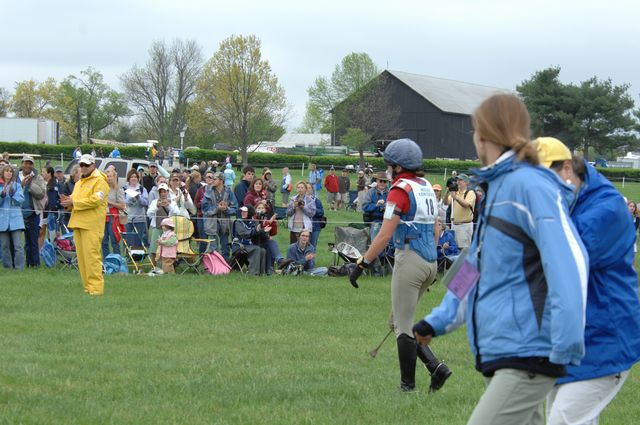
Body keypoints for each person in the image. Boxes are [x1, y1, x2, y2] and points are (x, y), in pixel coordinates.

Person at [411, 94, 588, 425]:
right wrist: (437, 321)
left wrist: (565, 343)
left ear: (483, 133)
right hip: (505, 352)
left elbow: (571, 263)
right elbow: (473, 269)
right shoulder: (498, 190)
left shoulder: (529, 186)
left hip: (530, 352)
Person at [535, 137, 640, 425]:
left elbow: (559, 258)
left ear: (567, 168)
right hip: (569, 340)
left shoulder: (607, 211)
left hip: (604, 340)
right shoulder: (565, 201)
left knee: (562, 420)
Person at [348, 138, 451, 393]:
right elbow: (437, 227)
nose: (387, 169)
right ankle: (435, 367)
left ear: (397, 165)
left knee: (402, 328)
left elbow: (384, 235)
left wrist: (362, 263)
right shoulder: (426, 186)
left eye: (389, 165)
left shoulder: (399, 190)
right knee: (397, 321)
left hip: (410, 259)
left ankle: (407, 387)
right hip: (429, 262)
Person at [60, 154, 110, 296]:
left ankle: (96, 289)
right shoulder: (78, 183)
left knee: (92, 257)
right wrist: (67, 203)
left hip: (92, 224)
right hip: (78, 222)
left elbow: (95, 200)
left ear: (93, 165)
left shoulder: (100, 181)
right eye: (81, 165)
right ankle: (88, 287)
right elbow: (76, 201)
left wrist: (73, 203)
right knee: (81, 259)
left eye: (86, 165)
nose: (83, 167)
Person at [201, 171, 238, 260]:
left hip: (225, 223)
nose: (212, 180)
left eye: (215, 179)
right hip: (212, 222)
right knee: (212, 245)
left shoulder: (229, 192)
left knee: (225, 245)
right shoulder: (208, 191)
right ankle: (212, 266)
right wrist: (217, 208)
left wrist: (226, 209)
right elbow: (204, 209)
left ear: (221, 180)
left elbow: (235, 208)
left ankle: (225, 265)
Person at [19, 155, 46, 267]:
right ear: (22, 163)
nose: (27, 165)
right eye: (26, 163)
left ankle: (35, 264)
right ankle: (24, 263)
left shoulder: (38, 178)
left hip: (33, 212)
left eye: (30, 163)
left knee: (33, 240)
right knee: (22, 242)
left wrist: (30, 186)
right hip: (18, 213)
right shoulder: (16, 175)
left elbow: (41, 194)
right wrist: (21, 185)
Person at [251, 200, 291, 275]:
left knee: (271, 244)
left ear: (265, 210)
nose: (260, 209)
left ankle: (276, 263)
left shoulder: (266, 218)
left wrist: (273, 223)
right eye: (259, 208)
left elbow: (273, 233)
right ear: (255, 209)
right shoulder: (253, 218)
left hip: (264, 241)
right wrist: (268, 222)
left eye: (262, 208)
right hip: (254, 242)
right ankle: (273, 266)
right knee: (270, 243)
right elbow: (257, 231)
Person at [146, 183, 179, 269]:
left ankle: (167, 267)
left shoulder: (172, 201)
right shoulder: (154, 202)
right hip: (157, 228)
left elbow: (177, 212)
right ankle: (153, 268)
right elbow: (149, 213)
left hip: (169, 230)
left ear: (167, 192)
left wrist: (169, 205)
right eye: (161, 192)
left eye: (164, 191)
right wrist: (157, 207)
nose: (163, 193)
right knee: (154, 249)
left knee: (168, 249)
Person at [0, 164, 25, 270]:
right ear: (2, 173)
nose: (9, 173)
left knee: (18, 246)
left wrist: (12, 195)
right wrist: (2, 195)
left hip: (16, 220)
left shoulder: (17, 186)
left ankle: (19, 268)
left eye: (10, 171)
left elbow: (20, 200)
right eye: (6, 171)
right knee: (5, 246)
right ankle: (8, 267)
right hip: (2, 221)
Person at [232, 205, 266, 275]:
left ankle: (261, 273)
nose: (242, 213)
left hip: (249, 245)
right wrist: (256, 231)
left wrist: (263, 231)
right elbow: (244, 234)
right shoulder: (238, 222)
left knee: (263, 250)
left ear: (249, 213)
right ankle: (253, 273)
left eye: (245, 212)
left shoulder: (254, 222)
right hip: (239, 245)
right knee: (256, 249)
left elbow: (258, 233)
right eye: (242, 212)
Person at [443, 173, 475, 250]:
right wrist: (447, 192)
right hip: (454, 225)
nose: (458, 182)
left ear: (467, 183)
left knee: (463, 250)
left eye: (461, 180)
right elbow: (446, 202)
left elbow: (466, 205)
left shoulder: (470, 192)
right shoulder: (455, 193)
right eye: (457, 180)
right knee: (454, 248)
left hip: (464, 226)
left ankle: (464, 262)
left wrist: (455, 197)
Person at [102, 168, 125, 259]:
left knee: (114, 240)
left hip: (113, 217)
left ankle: (117, 261)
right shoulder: (102, 189)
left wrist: (110, 203)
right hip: (103, 216)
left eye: (111, 176)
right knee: (104, 241)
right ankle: (106, 262)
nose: (109, 178)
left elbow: (122, 205)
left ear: (114, 177)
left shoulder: (118, 189)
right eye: (107, 176)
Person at [123, 169, 149, 248]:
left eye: (135, 177)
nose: (133, 178)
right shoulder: (124, 189)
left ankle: (137, 256)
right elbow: (123, 203)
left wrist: (138, 198)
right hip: (128, 219)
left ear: (138, 178)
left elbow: (146, 203)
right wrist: (131, 199)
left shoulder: (142, 189)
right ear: (128, 179)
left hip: (140, 219)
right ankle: (127, 256)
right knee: (127, 240)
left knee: (138, 240)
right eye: (131, 177)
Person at [361, 172, 390, 242]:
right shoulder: (371, 192)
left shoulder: (391, 192)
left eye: (385, 181)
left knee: (390, 243)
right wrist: (376, 205)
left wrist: (388, 207)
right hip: (375, 220)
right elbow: (364, 206)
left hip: (388, 221)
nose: (383, 183)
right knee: (375, 242)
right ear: (377, 181)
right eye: (381, 181)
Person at [306, 182, 324, 250]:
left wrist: (313, 209)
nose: (308, 189)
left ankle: (311, 261)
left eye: (309, 188)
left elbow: (321, 213)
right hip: (303, 227)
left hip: (315, 227)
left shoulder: (316, 201)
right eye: (306, 188)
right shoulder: (300, 200)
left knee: (312, 247)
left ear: (312, 189)